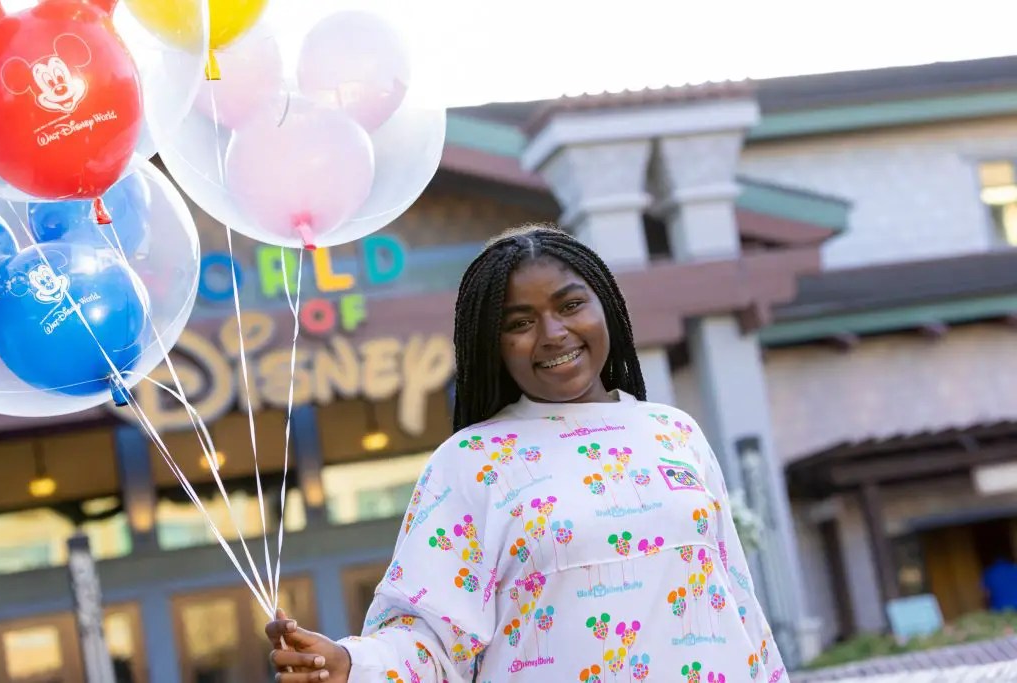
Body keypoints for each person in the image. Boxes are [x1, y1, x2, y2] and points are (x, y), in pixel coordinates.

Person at [265, 225, 788, 682]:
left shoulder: (675, 432)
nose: (553, 333)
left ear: (607, 305)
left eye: (571, 305)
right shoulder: (471, 462)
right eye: (519, 323)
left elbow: (738, 601)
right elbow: (432, 636)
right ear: (491, 344)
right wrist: (351, 664)